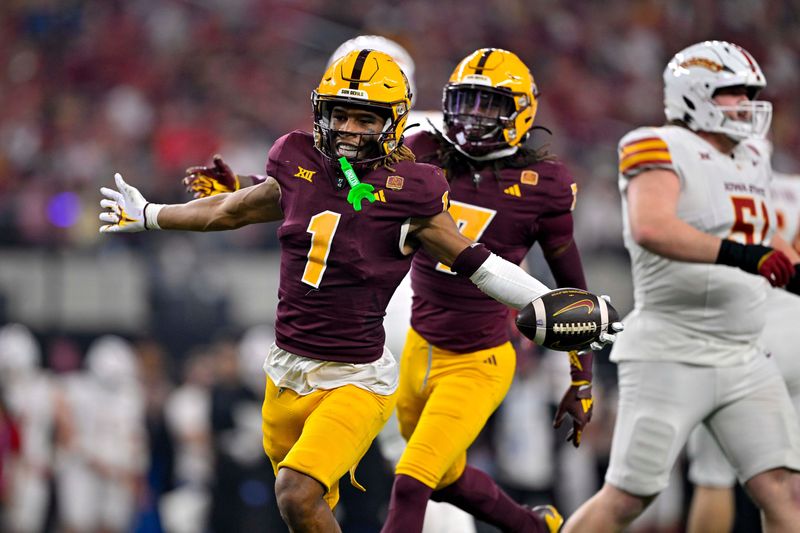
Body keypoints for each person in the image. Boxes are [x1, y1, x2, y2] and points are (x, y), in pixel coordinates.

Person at [99, 49, 619, 533]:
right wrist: (151, 214)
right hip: (292, 369)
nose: (348, 129)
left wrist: (550, 312)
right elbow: (235, 209)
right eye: (339, 114)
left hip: (363, 375)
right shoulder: (297, 157)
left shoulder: (414, 186)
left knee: (312, 490)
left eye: (365, 119)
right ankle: (534, 527)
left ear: (392, 123)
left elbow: (479, 264)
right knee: (319, 505)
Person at [561, 40, 800, 533]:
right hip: (673, 350)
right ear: (696, 94)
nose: (747, 104)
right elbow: (652, 226)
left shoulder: (751, 157)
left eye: (750, 93)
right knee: (628, 498)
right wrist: (747, 257)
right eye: (735, 92)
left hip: (744, 354)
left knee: (784, 491)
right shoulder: (658, 144)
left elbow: (763, 238)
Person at [380, 48, 592, 533]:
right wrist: (254, 184)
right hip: (418, 347)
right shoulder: (423, 150)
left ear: (522, 112)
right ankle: (533, 528)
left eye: (490, 105)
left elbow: (571, 289)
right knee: (443, 476)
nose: (474, 117)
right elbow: (345, 183)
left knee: (411, 482)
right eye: (466, 102)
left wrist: (582, 379)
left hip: (480, 360)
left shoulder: (543, 184)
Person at [686, 168, 800, 533]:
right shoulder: (795, 189)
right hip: (796, 327)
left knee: (713, 475)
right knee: (789, 480)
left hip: (744, 329)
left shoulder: (716, 181)